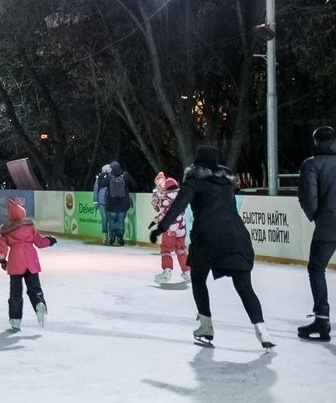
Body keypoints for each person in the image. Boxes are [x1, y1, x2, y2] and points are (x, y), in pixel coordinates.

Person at [149, 145, 274, 349]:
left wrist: (160, 228)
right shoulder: (226, 184)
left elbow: (177, 206)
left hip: (207, 239)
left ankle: (206, 327)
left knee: (198, 280)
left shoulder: (194, 182)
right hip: (237, 237)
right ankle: (263, 332)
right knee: (245, 287)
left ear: (197, 162)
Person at [296, 125, 336, 342]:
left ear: (316, 142)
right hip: (330, 222)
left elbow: (309, 198)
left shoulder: (311, 165)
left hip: (329, 224)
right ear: (335, 140)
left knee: (316, 269)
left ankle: (322, 320)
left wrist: (316, 216)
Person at [0, 197, 57, 331]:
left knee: (16, 294)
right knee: (35, 289)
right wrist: (50, 240)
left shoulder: (7, 231)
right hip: (31, 262)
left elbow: (2, 248)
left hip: (15, 263)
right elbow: (40, 242)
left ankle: (15, 319)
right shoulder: (30, 228)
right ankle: (39, 304)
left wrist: (2, 259)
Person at [150, 177, 190, 284]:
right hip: (181, 229)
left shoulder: (165, 200)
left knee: (166, 250)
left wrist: (157, 219)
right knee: (181, 250)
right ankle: (187, 271)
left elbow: (164, 215)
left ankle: (167, 271)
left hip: (169, 230)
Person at [98, 161, 136, 246]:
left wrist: (101, 175)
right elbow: (134, 185)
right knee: (121, 221)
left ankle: (112, 238)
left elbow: (100, 184)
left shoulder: (109, 177)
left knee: (111, 220)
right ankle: (120, 238)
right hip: (123, 204)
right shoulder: (126, 175)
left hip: (111, 204)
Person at [93, 164, 111, 241]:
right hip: (108, 201)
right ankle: (111, 236)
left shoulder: (99, 178)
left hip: (101, 201)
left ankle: (105, 237)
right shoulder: (110, 178)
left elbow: (96, 190)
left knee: (104, 218)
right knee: (109, 218)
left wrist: (95, 201)